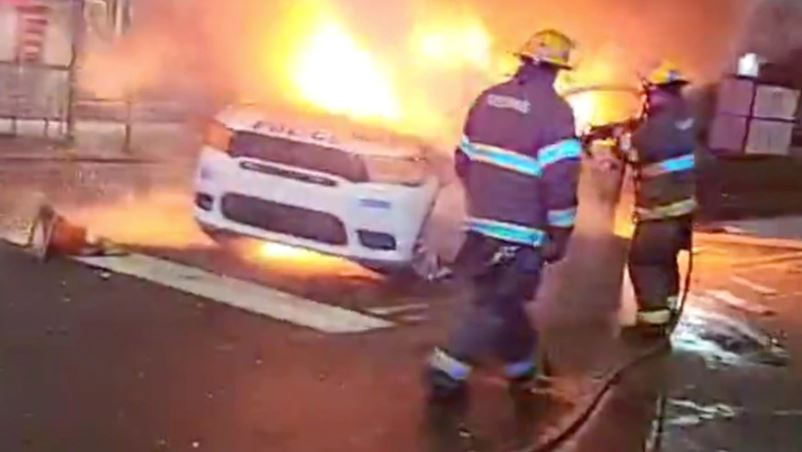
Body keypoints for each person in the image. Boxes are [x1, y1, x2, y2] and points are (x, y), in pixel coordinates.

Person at [425, 29, 582, 402]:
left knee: (503, 301)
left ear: (524, 60)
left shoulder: (488, 98)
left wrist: (485, 199)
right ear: (557, 69)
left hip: (481, 225)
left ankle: (523, 367)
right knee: (496, 303)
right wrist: (560, 233)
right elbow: (560, 182)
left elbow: (464, 159)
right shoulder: (556, 113)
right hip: (522, 234)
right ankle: (448, 368)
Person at [625, 61, 697, 336]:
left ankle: (651, 326)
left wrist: (621, 139)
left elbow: (633, 155)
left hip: (660, 210)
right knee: (665, 261)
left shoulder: (653, 129)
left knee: (644, 261)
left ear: (657, 91)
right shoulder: (687, 118)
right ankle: (667, 311)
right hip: (683, 210)